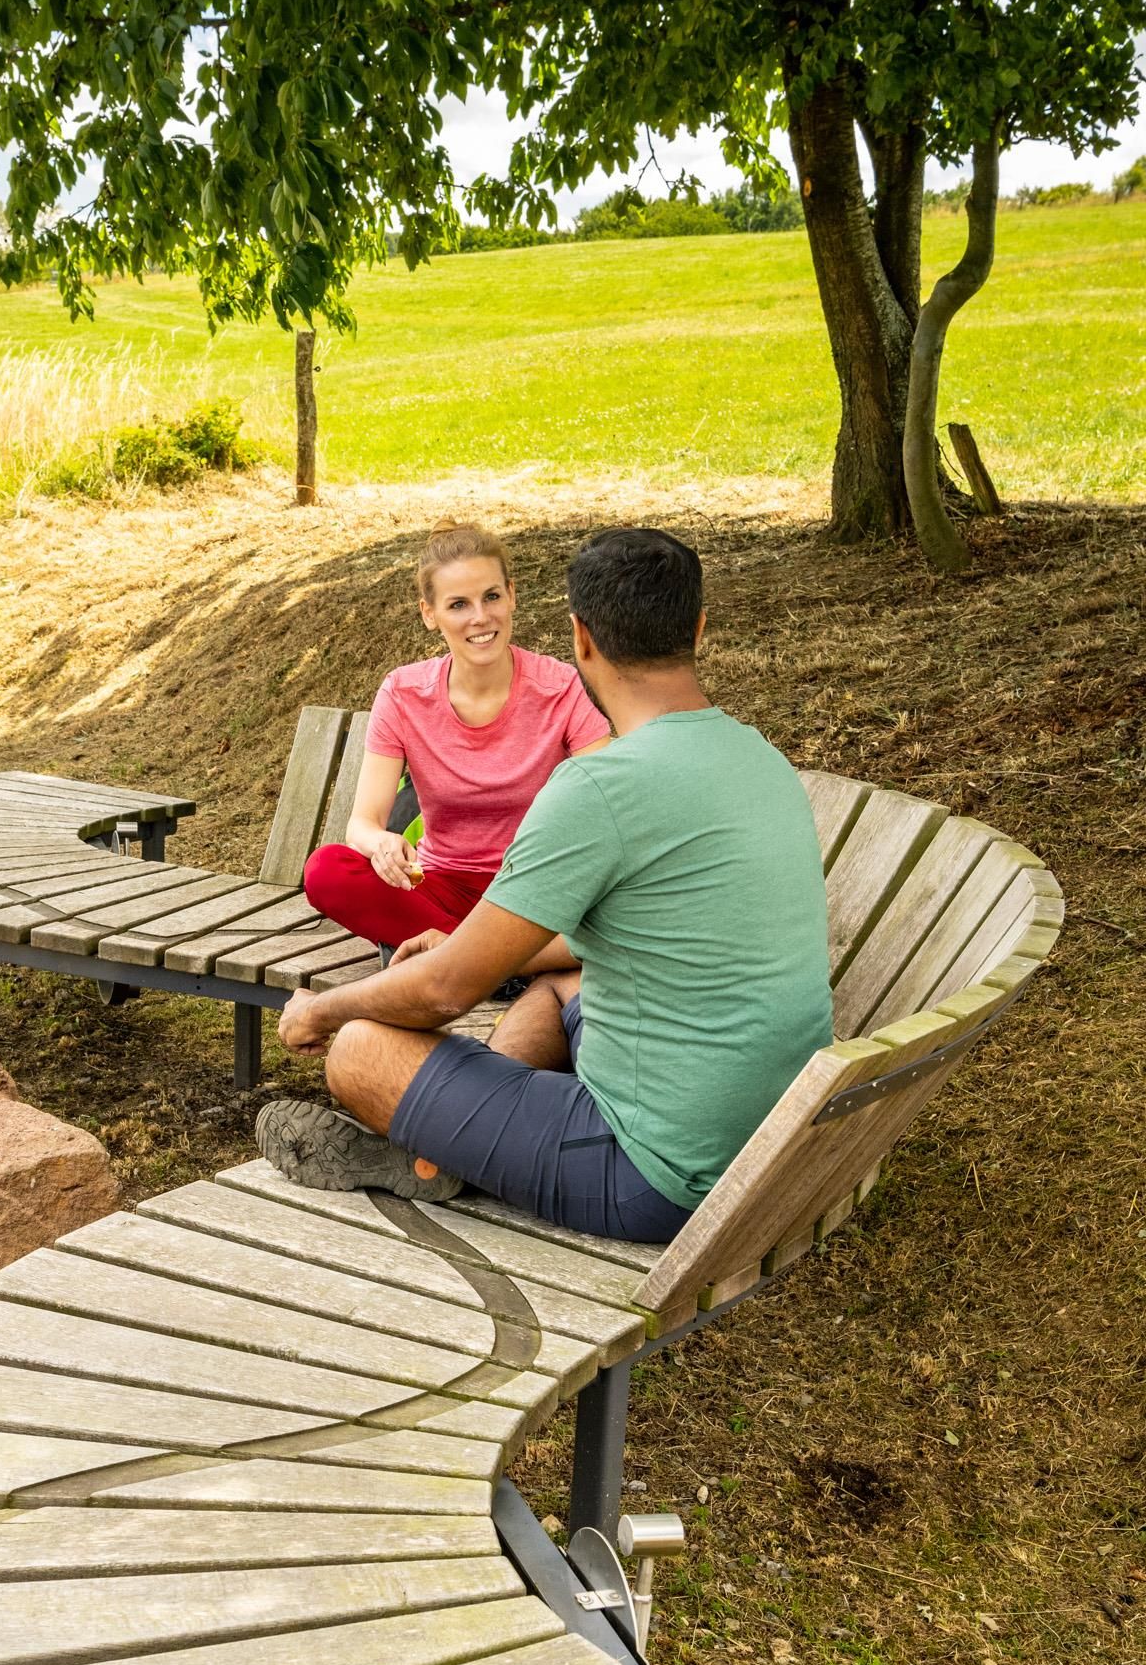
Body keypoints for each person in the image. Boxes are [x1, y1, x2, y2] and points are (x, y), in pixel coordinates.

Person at [257, 526, 833, 1244]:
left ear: (580, 638)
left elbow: (445, 993)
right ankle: (455, 1139)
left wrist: (321, 1012)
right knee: (559, 982)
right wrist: (462, 946)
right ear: (698, 628)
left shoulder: (601, 784)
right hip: (769, 1137)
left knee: (360, 1049)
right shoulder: (760, 757)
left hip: (657, 1175)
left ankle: (445, 1143)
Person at [302, 519, 608, 952]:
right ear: (430, 614)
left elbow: (607, 805)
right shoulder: (403, 693)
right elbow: (362, 825)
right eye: (458, 604)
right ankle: (490, 961)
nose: (480, 617)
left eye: (492, 596)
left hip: (536, 890)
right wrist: (382, 843)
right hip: (441, 886)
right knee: (326, 869)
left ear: (512, 595)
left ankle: (456, 959)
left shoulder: (559, 687)